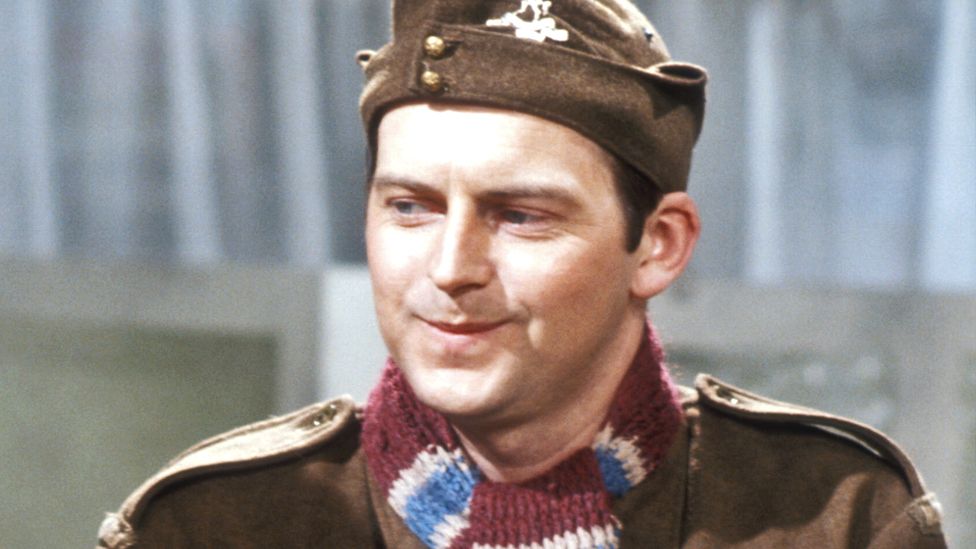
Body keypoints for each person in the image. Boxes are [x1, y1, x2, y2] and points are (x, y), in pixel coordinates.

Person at [97, 1, 947, 547]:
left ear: (657, 245)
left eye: (521, 215)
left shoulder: (830, 515)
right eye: (411, 207)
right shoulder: (220, 524)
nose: (450, 268)